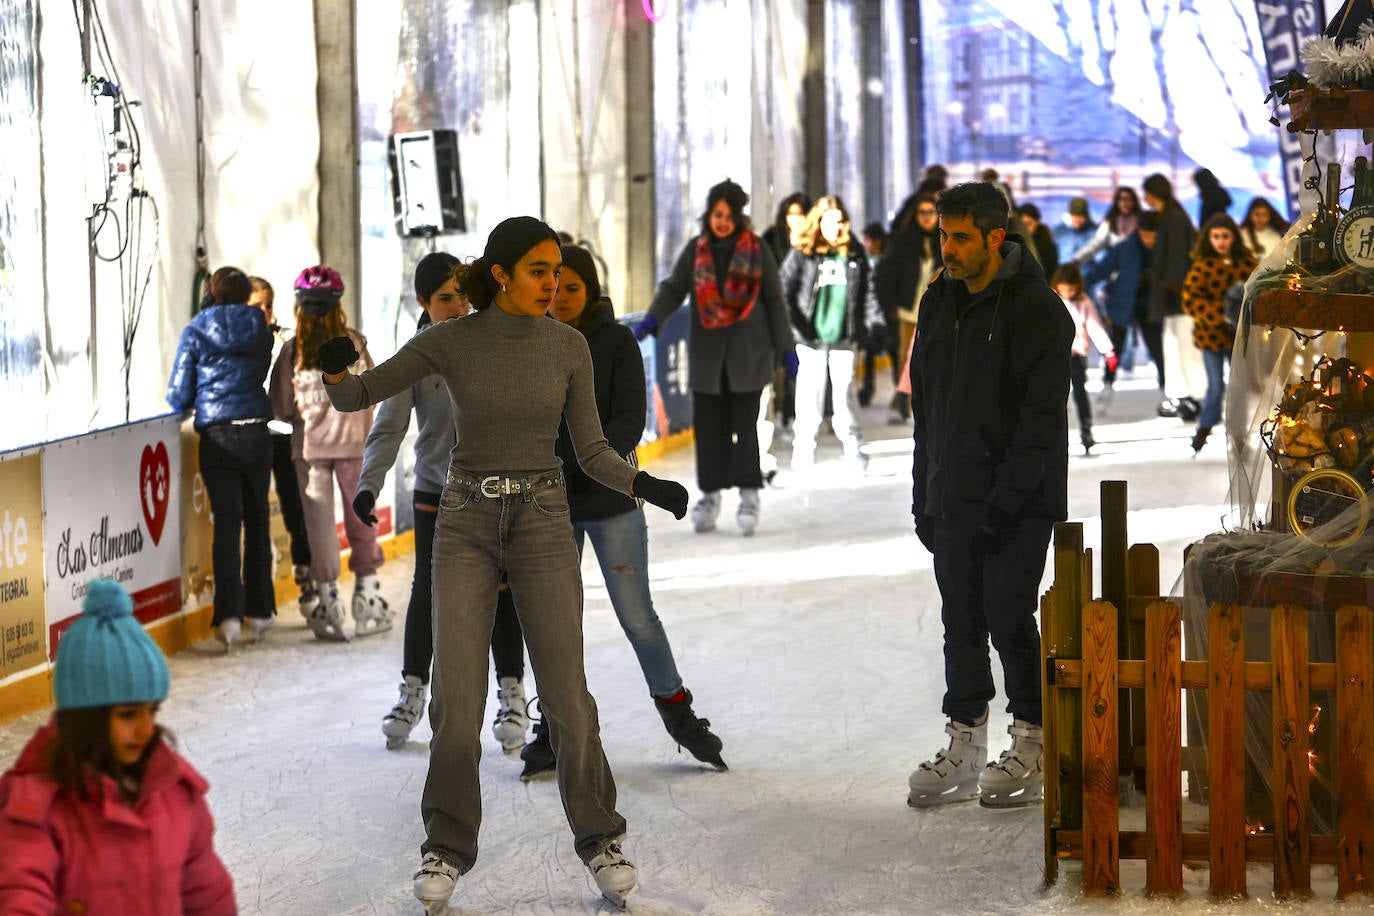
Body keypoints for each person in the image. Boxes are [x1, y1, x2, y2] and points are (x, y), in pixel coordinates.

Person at [319, 216, 689, 910]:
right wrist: (336, 366)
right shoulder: (449, 341)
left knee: (567, 695)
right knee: (458, 699)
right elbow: (358, 397)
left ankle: (601, 836)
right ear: (501, 275)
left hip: (545, 518)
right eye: (539, 272)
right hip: (464, 519)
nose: (553, 285)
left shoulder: (568, 347)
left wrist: (644, 485)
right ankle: (446, 845)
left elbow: (591, 453)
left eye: (557, 272)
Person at [519, 245, 725, 779]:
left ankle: (680, 715)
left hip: (611, 500)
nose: (560, 297)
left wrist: (591, 460)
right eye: (553, 286)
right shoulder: (532, 341)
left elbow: (630, 418)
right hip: (552, 505)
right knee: (556, 624)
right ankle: (551, 726)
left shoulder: (615, 342)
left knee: (638, 617)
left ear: (590, 290)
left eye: (571, 287)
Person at [907, 181, 1073, 809]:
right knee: (961, 622)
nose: (947, 249)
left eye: (960, 238)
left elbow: (1040, 423)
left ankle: (1032, 740)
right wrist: (924, 492)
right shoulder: (937, 301)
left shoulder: (1035, 310)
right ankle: (965, 741)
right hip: (951, 495)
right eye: (942, 236)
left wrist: (1004, 502)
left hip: (1018, 501)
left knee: (1007, 615)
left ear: (995, 238)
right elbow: (928, 408)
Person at [353, 253, 529, 752]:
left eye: (461, 296)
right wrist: (370, 483)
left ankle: (512, 695)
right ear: (424, 303)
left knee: (499, 589)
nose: (456, 308)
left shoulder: (494, 345)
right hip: (436, 490)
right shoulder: (417, 355)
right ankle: (412, 692)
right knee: (429, 590)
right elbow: (388, 427)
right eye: (444, 299)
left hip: (492, 489)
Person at [0, 579, 236, 913]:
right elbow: (21, 893)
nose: (146, 729)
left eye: (151, 711)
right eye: (128, 714)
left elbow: (208, 895)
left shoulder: (175, 793)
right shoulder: (37, 807)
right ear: (87, 718)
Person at [638, 179, 792, 536]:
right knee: (709, 433)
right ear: (709, 215)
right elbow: (674, 288)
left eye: (729, 215)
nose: (722, 221)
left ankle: (749, 495)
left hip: (749, 359)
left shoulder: (757, 251)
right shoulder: (697, 250)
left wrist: (786, 347)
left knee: (746, 431)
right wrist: (653, 318)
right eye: (717, 214)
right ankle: (709, 496)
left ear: (739, 217)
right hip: (709, 363)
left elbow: (774, 300)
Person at [269, 265, 390, 642]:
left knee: (318, 525)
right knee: (362, 516)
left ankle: (327, 598)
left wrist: (306, 418)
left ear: (299, 307)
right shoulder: (355, 343)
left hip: (310, 449)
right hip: (355, 445)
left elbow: (281, 406)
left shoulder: (292, 352)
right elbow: (373, 388)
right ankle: (367, 594)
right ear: (339, 305)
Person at [166, 265, 276, 649]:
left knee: (227, 524)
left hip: (217, 434)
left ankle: (228, 615)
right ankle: (260, 610)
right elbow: (260, 370)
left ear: (212, 292)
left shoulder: (197, 329)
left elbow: (180, 391)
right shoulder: (260, 327)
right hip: (256, 431)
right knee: (258, 518)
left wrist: (187, 403)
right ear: (247, 294)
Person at [779, 195, 886, 474]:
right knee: (809, 395)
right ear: (819, 222)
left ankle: (854, 449)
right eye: (832, 221)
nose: (838, 227)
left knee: (845, 393)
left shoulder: (854, 254)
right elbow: (783, 289)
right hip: (810, 338)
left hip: (843, 336)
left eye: (842, 221)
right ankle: (803, 452)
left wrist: (875, 322)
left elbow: (869, 292)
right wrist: (796, 326)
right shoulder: (803, 253)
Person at [248, 276, 315, 614]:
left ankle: (307, 578)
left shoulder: (288, 340)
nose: (264, 311)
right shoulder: (241, 340)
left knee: (297, 509)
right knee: (257, 513)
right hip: (256, 434)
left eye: (268, 304)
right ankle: (258, 599)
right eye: (257, 305)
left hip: (287, 436)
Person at [1182, 214, 1256, 454]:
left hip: (1238, 336)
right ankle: (1204, 427)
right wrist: (1222, 314)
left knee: (1238, 386)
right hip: (1211, 336)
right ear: (1208, 239)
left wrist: (1241, 314)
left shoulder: (1245, 263)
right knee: (1215, 386)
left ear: (1233, 237)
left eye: (1225, 236)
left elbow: (1258, 290)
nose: (1221, 241)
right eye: (1216, 236)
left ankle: (1238, 433)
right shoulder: (1202, 266)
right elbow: (1191, 301)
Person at [1083, 210, 1167, 397]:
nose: (1150, 241)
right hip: (1123, 304)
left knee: (1157, 348)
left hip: (1150, 306)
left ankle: (1166, 385)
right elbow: (1101, 270)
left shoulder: (1164, 248)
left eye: (1154, 236)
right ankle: (1108, 381)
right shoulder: (1125, 248)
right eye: (1146, 236)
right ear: (1139, 231)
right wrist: (1080, 284)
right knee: (1115, 348)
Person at [878, 192, 941, 424]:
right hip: (908, 309)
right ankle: (904, 396)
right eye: (922, 213)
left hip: (934, 309)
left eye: (931, 213)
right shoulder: (903, 241)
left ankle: (921, 395)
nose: (927, 218)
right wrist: (891, 305)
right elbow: (889, 275)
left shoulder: (944, 240)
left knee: (929, 354)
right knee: (906, 354)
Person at [1142, 173, 1201, 421]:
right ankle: (1187, 396)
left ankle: (1192, 397)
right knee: (1179, 347)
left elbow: (1177, 260)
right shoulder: (1173, 217)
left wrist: (1171, 289)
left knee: (1183, 348)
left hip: (1177, 298)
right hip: (1176, 297)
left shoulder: (1172, 219)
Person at [1050, 264, 1117, 455]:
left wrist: (1107, 350)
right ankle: (1056, 432)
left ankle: (1086, 429)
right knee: (1056, 395)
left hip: (1077, 354)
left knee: (1080, 392)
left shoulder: (1083, 302)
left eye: (1071, 289)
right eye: (1065, 289)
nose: (1068, 292)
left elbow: (1095, 326)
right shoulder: (1050, 299)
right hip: (1055, 355)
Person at [1073, 186, 1140, 265]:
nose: (1125, 203)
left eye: (1129, 199)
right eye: (1122, 199)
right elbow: (1095, 244)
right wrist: (1077, 259)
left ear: (1134, 201)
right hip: (1117, 269)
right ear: (1117, 202)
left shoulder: (1141, 221)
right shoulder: (1110, 222)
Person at [1016, 203, 1060, 278]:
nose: (1025, 229)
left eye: (1028, 224)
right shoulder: (1014, 242)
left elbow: (1052, 272)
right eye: (1022, 225)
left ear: (1038, 222)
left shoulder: (1047, 244)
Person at [1239, 196, 1290, 260]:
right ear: (1250, 216)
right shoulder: (1241, 235)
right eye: (1257, 215)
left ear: (1269, 216)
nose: (1261, 219)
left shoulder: (1276, 234)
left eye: (1264, 215)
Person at [1052, 197, 1096, 266]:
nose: (1078, 220)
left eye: (1081, 216)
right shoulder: (1058, 232)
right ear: (1070, 215)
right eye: (1075, 216)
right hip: (1064, 274)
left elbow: (1101, 258)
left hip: (1086, 275)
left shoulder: (1094, 233)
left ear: (1086, 216)